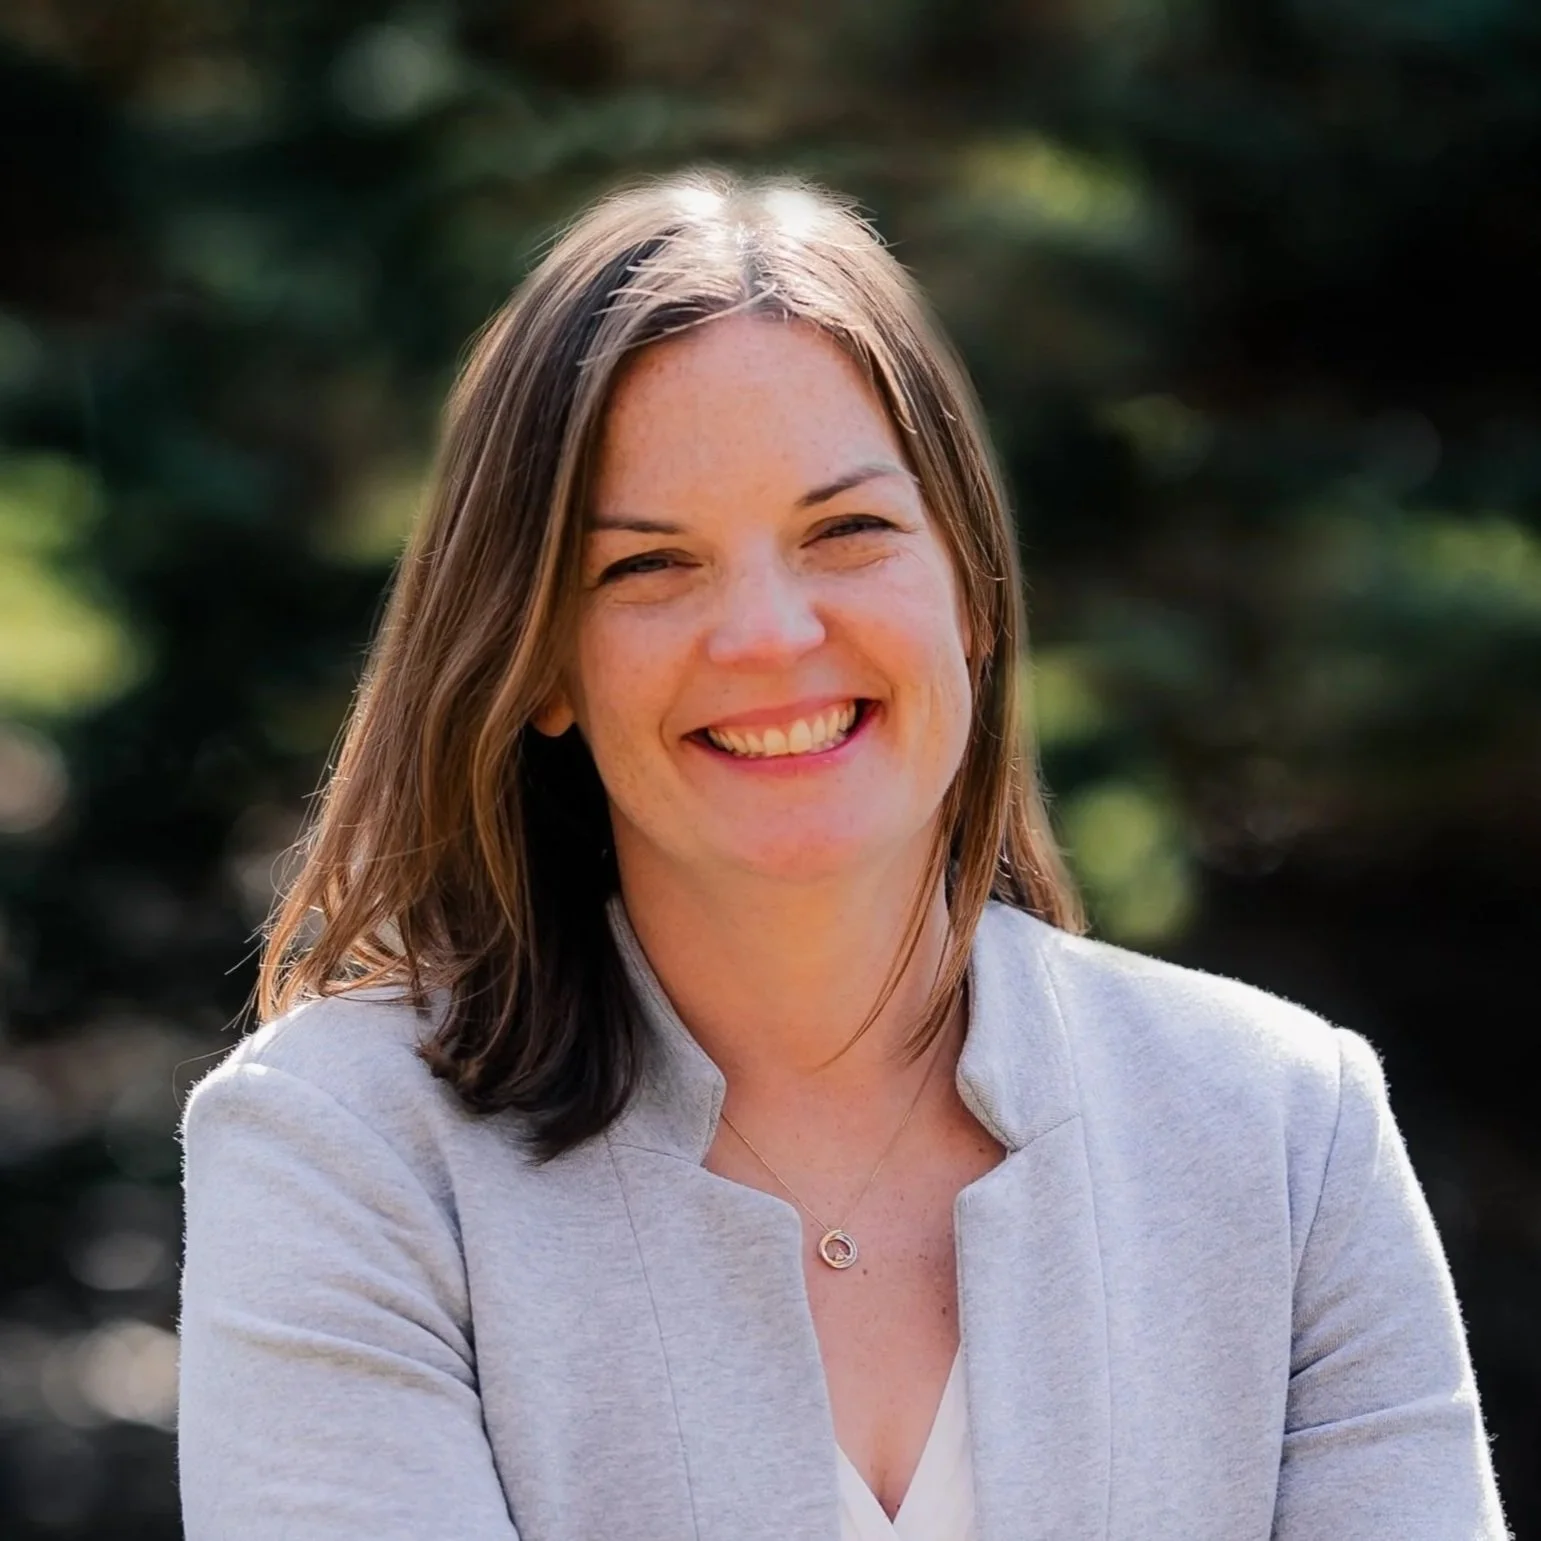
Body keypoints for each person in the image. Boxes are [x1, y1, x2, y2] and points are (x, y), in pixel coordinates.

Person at [177, 169, 1507, 1541]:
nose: (767, 633)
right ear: (541, 664)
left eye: (847, 532)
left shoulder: (1285, 1130)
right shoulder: (339, 1152)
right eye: (648, 567)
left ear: (974, 593)